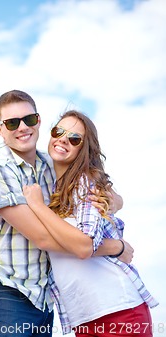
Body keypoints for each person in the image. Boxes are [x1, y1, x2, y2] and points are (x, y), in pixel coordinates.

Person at [0, 90, 132, 337]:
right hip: (6, 293)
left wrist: (114, 201)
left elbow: (98, 188)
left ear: (39, 120)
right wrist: (114, 247)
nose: (22, 127)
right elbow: (43, 239)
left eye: (29, 119)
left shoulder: (53, 164)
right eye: (12, 123)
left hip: (44, 298)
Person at [22, 110, 158, 336]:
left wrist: (37, 207)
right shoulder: (48, 181)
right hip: (84, 316)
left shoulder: (85, 183)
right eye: (59, 131)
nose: (64, 139)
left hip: (119, 310)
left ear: (83, 149)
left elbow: (85, 246)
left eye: (74, 138)